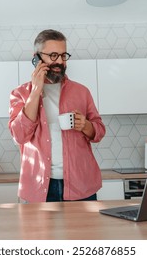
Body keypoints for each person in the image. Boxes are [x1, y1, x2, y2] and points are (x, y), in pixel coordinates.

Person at [8, 29, 105, 203]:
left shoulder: (82, 92)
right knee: (39, 232)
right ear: (37, 57)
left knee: (84, 232)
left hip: (81, 185)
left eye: (63, 55)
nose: (59, 61)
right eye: (53, 55)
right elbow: (19, 136)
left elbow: (99, 132)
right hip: (39, 187)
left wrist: (85, 125)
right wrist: (36, 90)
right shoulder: (20, 94)